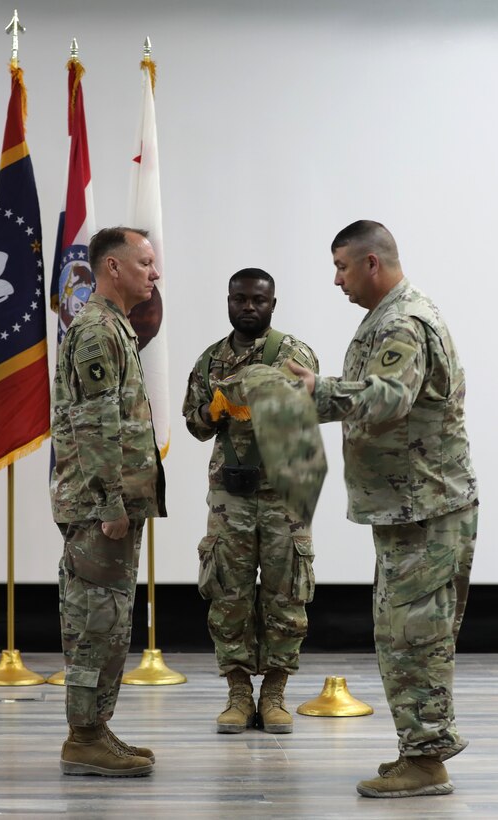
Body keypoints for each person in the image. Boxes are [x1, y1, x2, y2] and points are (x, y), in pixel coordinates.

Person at [289, 221, 478, 798]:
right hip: (410, 507)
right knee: (407, 634)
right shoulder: (389, 316)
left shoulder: (402, 322)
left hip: (424, 510)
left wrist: (318, 391)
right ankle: (418, 752)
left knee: (414, 638)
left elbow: (389, 398)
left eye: (343, 267)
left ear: (373, 263)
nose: (337, 279)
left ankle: (425, 762)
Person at [50, 227, 166, 777]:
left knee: (111, 621)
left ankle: (95, 726)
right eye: (145, 262)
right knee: (95, 621)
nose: (154, 272)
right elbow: (95, 425)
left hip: (112, 504)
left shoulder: (115, 326)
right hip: (102, 508)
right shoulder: (98, 331)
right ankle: (83, 736)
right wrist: (111, 502)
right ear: (113, 268)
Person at [182, 269, 319, 734]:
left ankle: (276, 695)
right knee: (228, 593)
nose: (248, 307)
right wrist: (212, 410)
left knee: (286, 594)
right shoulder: (209, 361)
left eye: (258, 300)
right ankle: (239, 695)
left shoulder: (294, 354)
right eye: (239, 298)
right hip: (230, 498)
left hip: (284, 494)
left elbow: (310, 412)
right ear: (228, 301)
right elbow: (194, 425)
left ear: (272, 304)